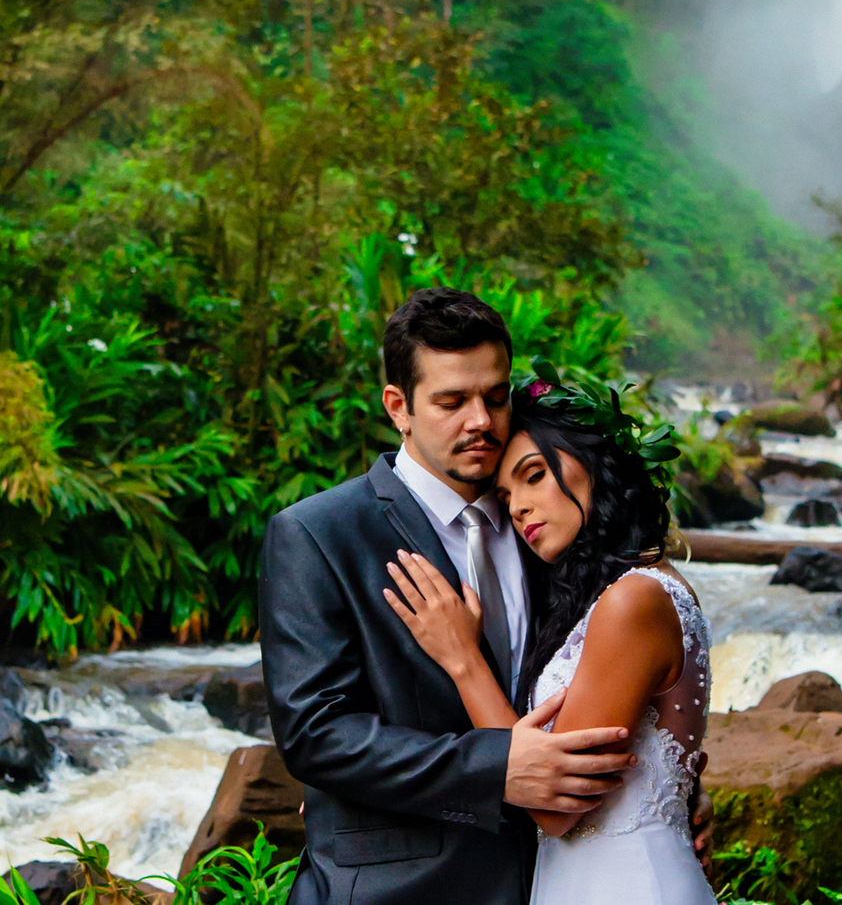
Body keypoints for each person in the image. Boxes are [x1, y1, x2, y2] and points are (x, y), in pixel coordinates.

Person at [260, 287, 713, 905]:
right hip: (400, 888)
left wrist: (666, 788)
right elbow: (315, 733)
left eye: (495, 398)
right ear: (399, 407)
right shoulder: (319, 534)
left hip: (555, 875)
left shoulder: (553, 535)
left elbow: (610, 689)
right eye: (451, 401)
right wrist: (496, 767)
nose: (480, 421)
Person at [381, 371, 719, 905]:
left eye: (534, 476)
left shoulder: (634, 600)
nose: (516, 507)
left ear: (596, 463)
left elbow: (554, 807)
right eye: (506, 494)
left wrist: (462, 658)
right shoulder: (611, 595)